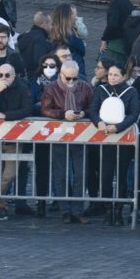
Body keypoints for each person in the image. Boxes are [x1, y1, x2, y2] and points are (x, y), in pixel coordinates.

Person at [88, 62, 140, 225]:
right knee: (105, 175)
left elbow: (133, 114)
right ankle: (107, 209)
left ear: (124, 76)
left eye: (116, 75)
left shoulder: (131, 92)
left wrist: (118, 127)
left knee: (122, 176)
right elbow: (92, 109)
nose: (112, 77)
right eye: (110, 74)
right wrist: (98, 122)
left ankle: (118, 210)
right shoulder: (100, 89)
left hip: (124, 139)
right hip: (105, 139)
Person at [41, 61, 93, 224]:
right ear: (60, 75)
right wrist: (63, 114)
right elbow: (44, 109)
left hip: (80, 136)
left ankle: (77, 211)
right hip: (59, 135)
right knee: (61, 174)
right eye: (68, 78)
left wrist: (83, 112)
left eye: (74, 78)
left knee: (80, 174)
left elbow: (94, 107)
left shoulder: (85, 87)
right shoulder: (51, 88)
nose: (71, 82)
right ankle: (65, 211)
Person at [0, 63, 32, 221]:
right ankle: (0, 207)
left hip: (15, 137)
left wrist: (6, 115)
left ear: (14, 76)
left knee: (10, 174)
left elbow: (27, 110)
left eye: (7, 75)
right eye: (0, 75)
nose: (3, 78)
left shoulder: (23, 89)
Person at [100, 0, 133, 64]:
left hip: (115, 46)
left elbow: (112, 24)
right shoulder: (130, 5)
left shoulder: (114, 4)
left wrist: (104, 40)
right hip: (126, 45)